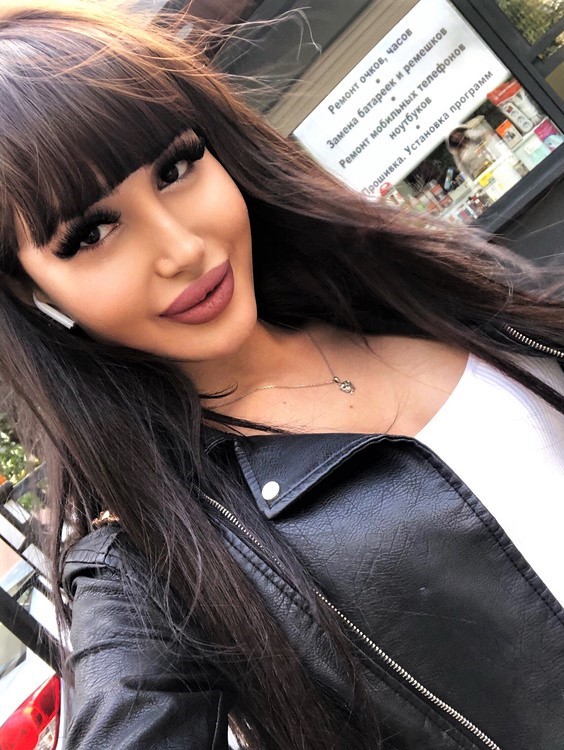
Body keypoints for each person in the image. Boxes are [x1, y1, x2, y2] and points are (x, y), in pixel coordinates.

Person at [0, 2, 563, 748]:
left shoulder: (406, 293)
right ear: (30, 292)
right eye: (92, 232)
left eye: (176, 168)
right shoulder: (156, 564)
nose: (183, 248)